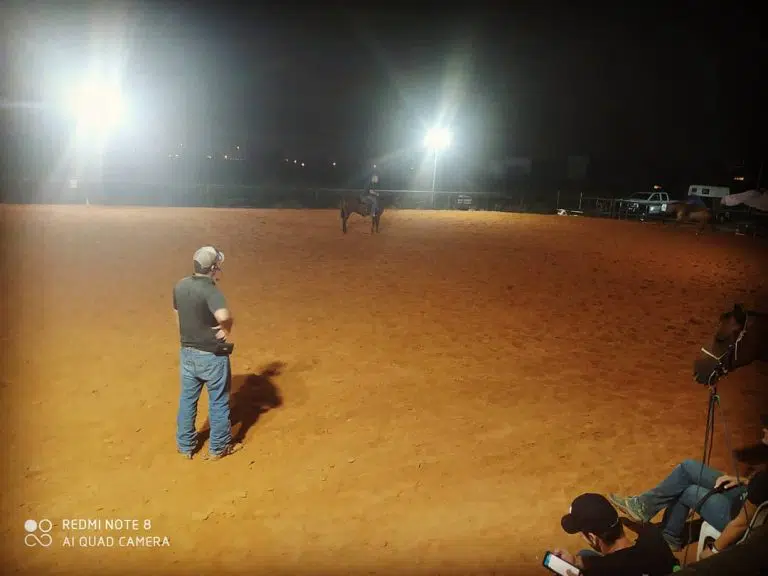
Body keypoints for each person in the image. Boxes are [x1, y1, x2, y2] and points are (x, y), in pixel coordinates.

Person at [609, 460, 768, 555]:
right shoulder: (762, 481)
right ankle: (643, 507)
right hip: (744, 493)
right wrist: (745, 481)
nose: (764, 430)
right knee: (688, 467)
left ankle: (670, 536)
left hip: (737, 515)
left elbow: (742, 524)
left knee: (688, 491)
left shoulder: (763, 484)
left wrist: (714, 550)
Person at [172, 246, 241, 461]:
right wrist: (227, 328)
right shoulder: (211, 290)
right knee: (218, 401)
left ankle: (185, 446)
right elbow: (223, 315)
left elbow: (177, 316)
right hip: (211, 356)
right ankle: (219, 448)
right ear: (212, 268)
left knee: (187, 399)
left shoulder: (180, 285)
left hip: (187, 352)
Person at [553, 493, 679, 575]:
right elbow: (620, 561)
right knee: (584, 556)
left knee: (584, 553)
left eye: (582, 534)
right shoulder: (653, 537)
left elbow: (612, 565)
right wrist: (576, 561)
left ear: (592, 538)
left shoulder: (601, 572)